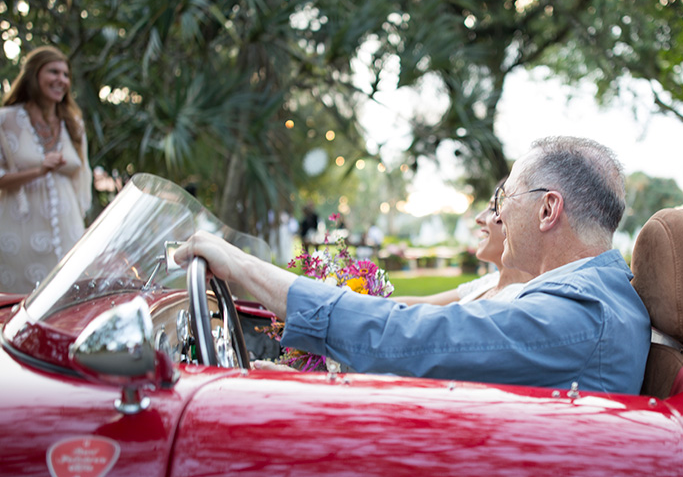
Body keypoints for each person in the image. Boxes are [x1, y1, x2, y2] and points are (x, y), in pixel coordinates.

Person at [174, 136, 651, 394]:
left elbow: (414, 336)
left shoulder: (576, 313)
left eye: (504, 196)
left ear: (549, 210)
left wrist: (243, 265)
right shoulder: (590, 296)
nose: (497, 213)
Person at [0, 46, 91, 293]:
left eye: (65, 74)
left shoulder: (73, 124)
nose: (61, 80)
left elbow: (82, 180)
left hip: (68, 229)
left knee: (67, 301)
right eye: (53, 72)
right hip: (19, 233)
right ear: (34, 75)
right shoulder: (5, 120)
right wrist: (38, 171)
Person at [394, 185, 533, 305]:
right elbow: (426, 304)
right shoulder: (490, 282)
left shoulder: (520, 296)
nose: (478, 218)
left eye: (493, 209)